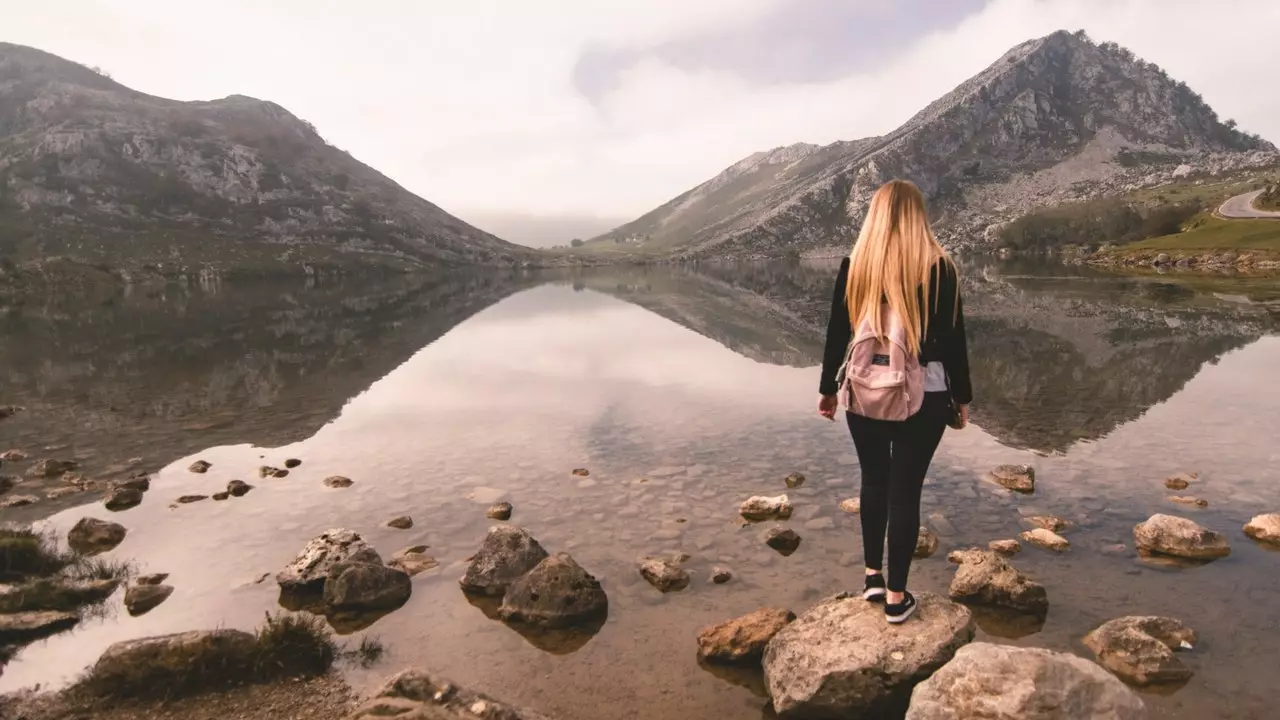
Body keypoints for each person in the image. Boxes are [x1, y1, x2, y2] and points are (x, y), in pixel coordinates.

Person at [816, 179, 972, 624]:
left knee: (873, 481)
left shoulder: (855, 266)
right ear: (918, 217)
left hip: (864, 392)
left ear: (876, 217)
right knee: (906, 492)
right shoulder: (940, 268)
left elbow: (836, 335)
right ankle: (898, 597)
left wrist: (829, 388)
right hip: (926, 395)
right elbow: (954, 343)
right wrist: (963, 397)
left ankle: (871, 578)